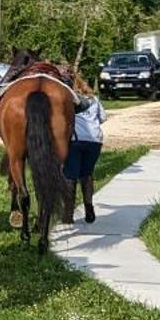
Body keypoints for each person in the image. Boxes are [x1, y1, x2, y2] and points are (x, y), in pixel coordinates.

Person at [66, 80, 105, 224]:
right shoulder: (94, 100)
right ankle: (89, 208)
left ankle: (68, 213)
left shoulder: (69, 100)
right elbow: (103, 118)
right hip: (95, 141)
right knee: (87, 174)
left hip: (75, 140)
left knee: (70, 175)